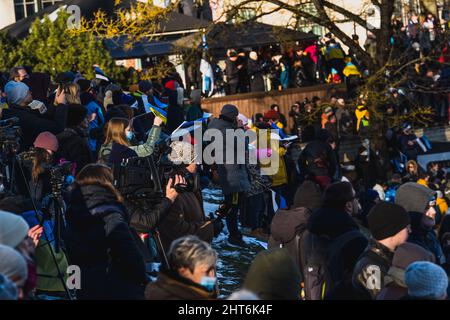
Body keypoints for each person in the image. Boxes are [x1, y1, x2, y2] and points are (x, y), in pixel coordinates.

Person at [63, 164, 147, 299]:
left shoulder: (73, 213)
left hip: (86, 287)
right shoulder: (109, 212)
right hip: (114, 287)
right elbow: (129, 253)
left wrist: (77, 289)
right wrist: (143, 279)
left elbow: (71, 256)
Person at [303, 182, 367, 300]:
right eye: (355, 197)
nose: (357, 200)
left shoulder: (309, 232)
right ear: (348, 205)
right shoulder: (355, 240)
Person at [157, 141, 218, 252]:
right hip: (180, 258)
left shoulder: (189, 185)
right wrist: (209, 229)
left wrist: (209, 222)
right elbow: (176, 230)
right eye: (194, 161)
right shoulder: (172, 191)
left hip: (193, 253)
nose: (197, 165)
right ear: (183, 164)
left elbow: (192, 217)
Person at [207, 104, 251, 246]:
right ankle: (233, 235)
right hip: (232, 173)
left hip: (226, 169)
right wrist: (239, 129)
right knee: (233, 205)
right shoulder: (227, 130)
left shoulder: (215, 126)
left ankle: (217, 223)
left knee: (230, 203)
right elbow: (242, 146)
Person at [353, 202, 411, 299]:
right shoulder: (370, 267)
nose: (410, 230)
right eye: (407, 227)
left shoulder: (386, 255)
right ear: (393, 230)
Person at [145, 235, 218, 300]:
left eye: (212, 269)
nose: (211, 276)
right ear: (184, 271)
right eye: (206, 270)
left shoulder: (159, 288)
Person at [2, 81, 65, 150]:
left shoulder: (17, 112)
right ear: (22, 97)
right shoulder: (24, 118)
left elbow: (43, 120)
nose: (31, 92)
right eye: (28, 92)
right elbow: (56, 128)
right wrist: (61, 105)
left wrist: (55, 104)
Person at [396, 182, 445, 265]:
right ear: (412, 208)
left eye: (433, 206)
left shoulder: (430, 234)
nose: (433, 212)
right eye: (426, 208)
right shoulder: (407, 247)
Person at [98, 116, 162, 165]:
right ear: (120, 132)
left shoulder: (107, 146)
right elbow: (147, 149)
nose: (131, 132)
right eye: (128, 130)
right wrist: (156, 126)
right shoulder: (119, 149)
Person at [56, 104, 93, 174]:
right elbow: (81, 167)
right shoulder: (75, 140)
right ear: (78, 120)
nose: (88, 119)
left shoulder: (74, 136)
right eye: (84, 117)